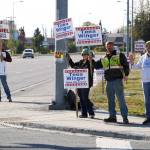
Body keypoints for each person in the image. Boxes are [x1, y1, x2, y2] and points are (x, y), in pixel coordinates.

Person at [95, 41, 130, 124]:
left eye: (110, 46)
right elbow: (96, 66)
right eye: (108, 46)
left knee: (121, 100)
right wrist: (91, 59)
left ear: (113, 46)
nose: (109, 47)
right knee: (110, 100)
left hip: (117, 80)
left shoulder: (119, 55)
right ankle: (112, 117)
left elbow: (126, 65)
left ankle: (125, 118)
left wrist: (126, 74)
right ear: (105, 47)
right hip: (108, 82)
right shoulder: (104, 57)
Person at [66, 48, 95, 118]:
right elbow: (73, 65)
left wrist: (90, 59)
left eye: (86, 54)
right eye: (83, 55)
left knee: (85, 98)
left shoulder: (91, 62)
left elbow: (92, 68)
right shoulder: (80, 62)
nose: (84, 56)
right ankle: (84, 113)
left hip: (86, 83)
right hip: (79, 83)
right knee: (81, 98)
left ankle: (91, 113)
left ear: (89, 55)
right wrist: (69, 58)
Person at [129, 41, 150, 125]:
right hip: (145, 81)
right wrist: (131, 62)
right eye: (148, 47)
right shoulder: (143, 57)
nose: (149, 48)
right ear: (146, 48)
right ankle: (148, 117)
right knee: (147, 100)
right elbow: (136, 67)